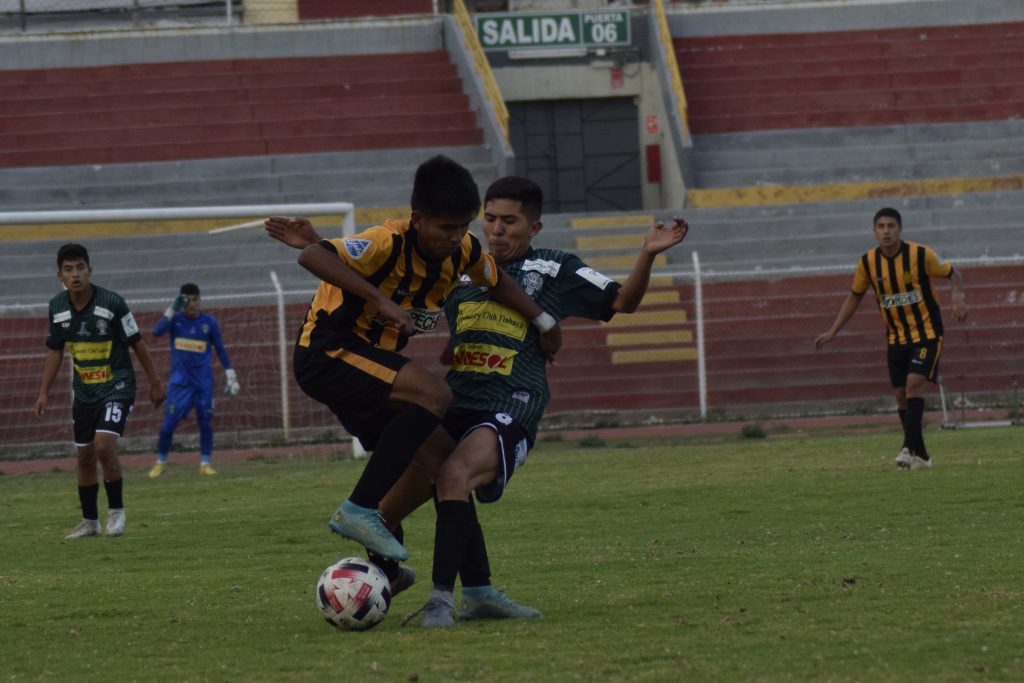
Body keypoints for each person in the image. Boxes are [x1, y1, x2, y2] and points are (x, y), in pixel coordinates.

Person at [392, 176, 688, 628]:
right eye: (489, 219)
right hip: (457, 400)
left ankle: (440, 601)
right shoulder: (460, 268)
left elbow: (623, 302)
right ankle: (460, 589)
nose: (497, 230)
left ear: (534, 227)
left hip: (512, 401)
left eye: (509, 221)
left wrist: (646, 253)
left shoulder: (555, 267)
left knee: (454, 473)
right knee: (385, 511)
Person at [264, 155, 561, 564]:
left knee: (443, 464)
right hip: (329, 353)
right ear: (418, 219)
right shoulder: (388, 240)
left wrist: (544, 321)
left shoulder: (465, 250)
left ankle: (471, 589)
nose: (456, 237)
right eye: (445, 228)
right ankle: (358, 508)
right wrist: (381, 301)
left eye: (462, 226)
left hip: (369, 366)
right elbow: (312, 257)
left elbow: (499, 282)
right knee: (435, 394)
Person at [814, 207, 967, 470]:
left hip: (928, 334)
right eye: (881, 226)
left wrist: (957, 297)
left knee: (914, 383)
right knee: (901, 397)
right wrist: (833, 330)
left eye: (891, 226)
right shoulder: (867, 263)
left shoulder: (921, 255)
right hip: (896, 339)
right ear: (874, 231)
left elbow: (954, 274)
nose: (886, 231)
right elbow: (855, 296)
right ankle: (922, 456)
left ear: (900, 229)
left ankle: (907, 448)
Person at [34, 243, 166, 539]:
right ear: (60, 276)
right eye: (69, 269)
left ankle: (116, 513)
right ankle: (89, 522)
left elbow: (137, 343)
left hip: (117, 385)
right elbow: (54, 351)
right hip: (84, 392)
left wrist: (155, 381)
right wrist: (43, 391)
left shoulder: (112, 303)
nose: (75, 274)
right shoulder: (57, 307)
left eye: (80, 267)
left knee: (104, 446)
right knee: (83, 457)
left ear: (89, 270)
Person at [148, 283, 239, 478]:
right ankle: (160, 462)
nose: (191, 304)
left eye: (195, 300)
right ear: (182, 301)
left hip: (203, 384)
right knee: (168, 424)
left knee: (205, 423)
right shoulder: (176, 320)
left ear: (200, 300)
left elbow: (220, 349)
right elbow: (156, 331)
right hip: (180, 383)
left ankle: (205, 463)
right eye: (187, 300)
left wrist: (230, 372)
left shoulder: (209, 322)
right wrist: (172, 308)